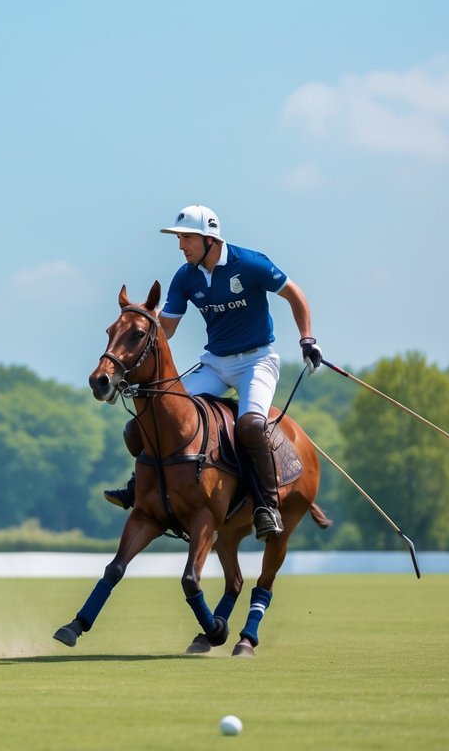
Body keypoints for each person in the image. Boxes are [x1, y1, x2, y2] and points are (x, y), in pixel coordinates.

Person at [102, 204, 322, 540]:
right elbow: (168, 329)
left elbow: (296, 295)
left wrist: (307, 339)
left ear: (209, 239)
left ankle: (266, 505)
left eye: (186, 238)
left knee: (250, 426)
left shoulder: (249, 264)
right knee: (151, 419)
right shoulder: (185, 277)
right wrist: (133, 340)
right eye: (180, 239)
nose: (181, 246)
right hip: (215, 363)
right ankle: (139, 488)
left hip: (256, 362)